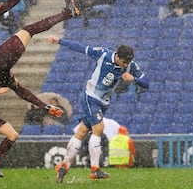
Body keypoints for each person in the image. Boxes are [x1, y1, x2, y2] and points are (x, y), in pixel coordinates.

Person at [49, 35, 149, 183]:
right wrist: (59, 41)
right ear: (117, 55)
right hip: (90, 97)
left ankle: (64, 165)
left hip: (104, 103)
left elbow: (146, 83)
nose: (125, 65)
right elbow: (81, 47)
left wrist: (134, 79)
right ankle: (95, 169)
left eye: (127, 62)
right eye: (123, 62)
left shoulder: (130, 66)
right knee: (99, 128)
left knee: (82, 131)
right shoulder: (103, 54)